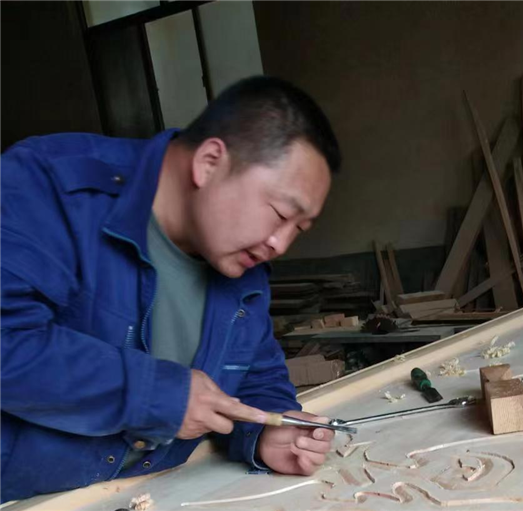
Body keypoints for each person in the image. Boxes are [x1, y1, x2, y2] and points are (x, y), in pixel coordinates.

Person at [0, 76, 341, 502]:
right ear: (210, 162)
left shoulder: (243, 263)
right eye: (280, 214)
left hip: (153, 494)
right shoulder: (48, 186)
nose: (281, 243)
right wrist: (156, 395)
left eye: (299, 229)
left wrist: (268, 431)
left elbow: (255, 377)